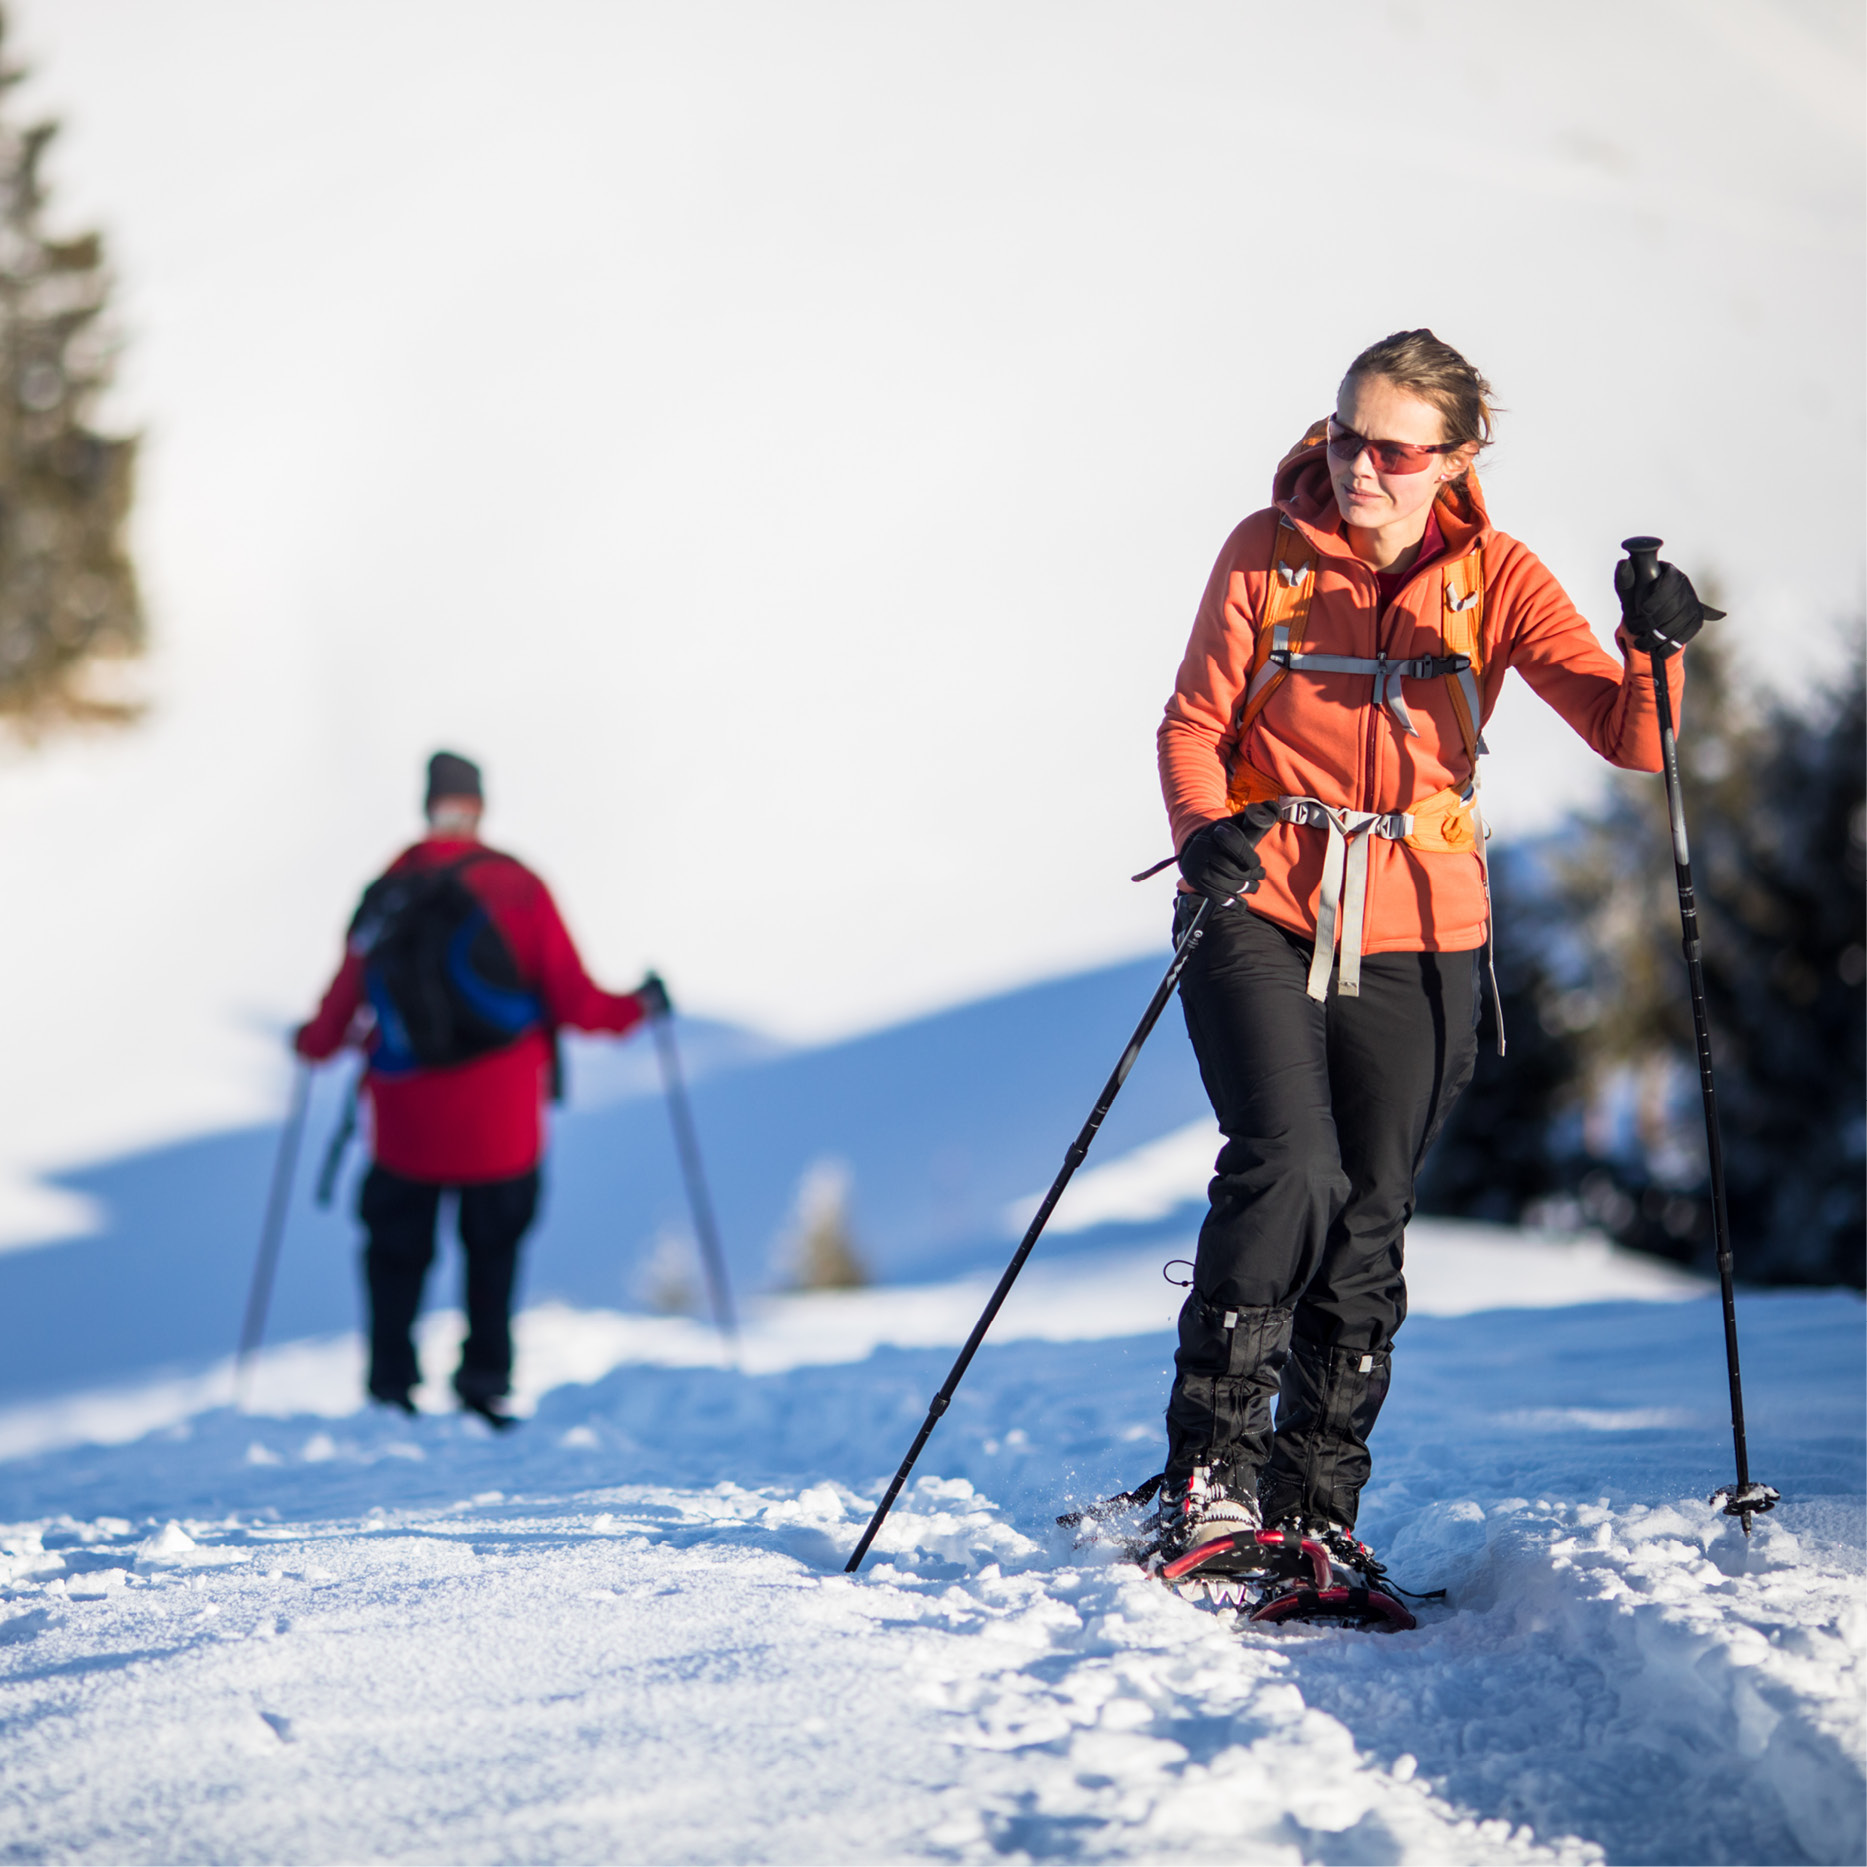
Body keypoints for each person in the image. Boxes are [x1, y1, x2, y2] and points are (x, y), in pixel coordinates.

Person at [1152, 329, 1712, 1563]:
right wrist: (1203, 835)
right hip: (1262, 900)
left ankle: (1314, 1506)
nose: (1357, 464)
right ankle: (1211, 1478)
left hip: (1424, 926)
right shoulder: (1267, 552)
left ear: (1455, 457)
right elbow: (1192, 723)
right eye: (1345, 433)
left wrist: (1655, 647)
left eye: (1390, 447)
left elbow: (1633, 737)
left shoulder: (1496, 576)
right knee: (1288, 1166)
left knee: (1368, 1217)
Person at [295, 751, 666, 1424]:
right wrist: (640, 1007)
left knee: (395, 1252)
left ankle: (389, 1384)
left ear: (427, 805)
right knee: (492, 1251)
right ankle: (483, 1381)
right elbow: (577, 1003)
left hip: (405, 1123)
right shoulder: (518, 885)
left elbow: (338, 1011)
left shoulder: (388, 888)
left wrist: (312, 1042)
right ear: (479, 807)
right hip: (502, 1125)